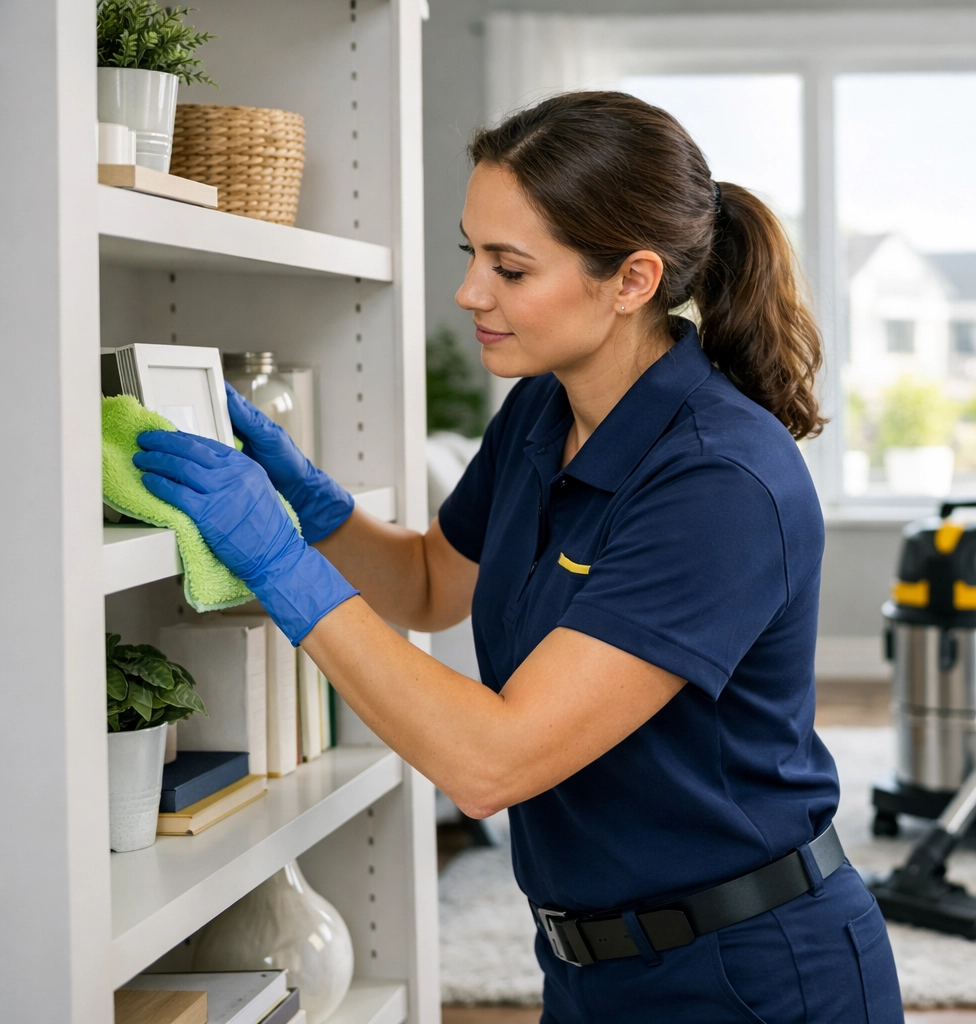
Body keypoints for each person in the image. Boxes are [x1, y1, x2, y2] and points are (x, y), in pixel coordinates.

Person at [133, 92, 903, 1022]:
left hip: (748, 974)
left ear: (631, 280)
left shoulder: (719, 482)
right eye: (472, 253)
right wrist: (314, 505)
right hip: (587, 969)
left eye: (510, 267)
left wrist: (279, 563)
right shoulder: (544, 410)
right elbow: (426, 585)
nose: (470, 292)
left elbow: (491, 763)